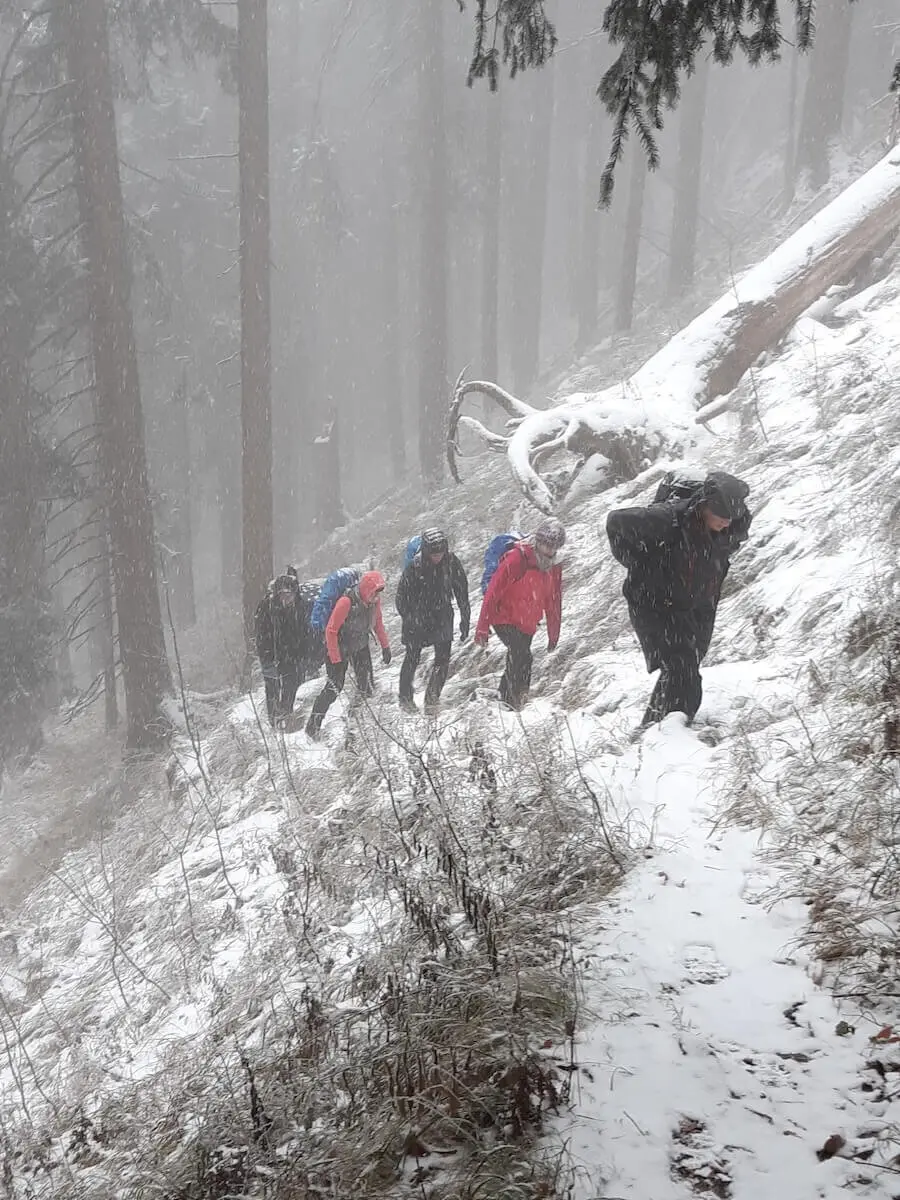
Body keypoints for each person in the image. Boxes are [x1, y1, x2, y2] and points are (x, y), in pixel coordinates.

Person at [606, 470, 752, 727]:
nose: (726, 524)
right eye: (721, 517)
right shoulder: (669, 519)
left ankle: (654, 727)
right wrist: (641, 565)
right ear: (705, 506)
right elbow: (616, 522)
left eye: (731, 519)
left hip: (696, 604)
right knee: (682, 668)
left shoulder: (732, 527)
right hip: (654, 603)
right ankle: (672, 731)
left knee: (686, 664)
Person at [473, 518, 565, 710]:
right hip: (503, 616)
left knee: (520, 659)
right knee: (521, 654)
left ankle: (511, 699)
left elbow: (553, 600)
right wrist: (482, 627)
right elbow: (493, 591)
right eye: (546, 544)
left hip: (528, 621)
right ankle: (513, 701)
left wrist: (553, 633)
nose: (549, 550)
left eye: (554, 546)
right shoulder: (517, 558)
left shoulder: (553, 567)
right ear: (537, 541)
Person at [305, 570, 391, 738]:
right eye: (374, 593)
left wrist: (385, 647)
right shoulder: (346, 602)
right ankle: (312, 726)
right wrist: (336, 659)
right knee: (333, 688)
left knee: (366, 686)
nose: (376, 598)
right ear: (366, 590)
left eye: (378, 594)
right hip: (338, 646)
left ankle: (359, 723)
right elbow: (331, 631)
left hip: (360, 645)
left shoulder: (374, 603)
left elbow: (378, 623)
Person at [395, 528, 470, 712]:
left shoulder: (451, 562)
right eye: (434, 554)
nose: (437, 557)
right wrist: (411, 618)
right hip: (417, 619)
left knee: (443, 660)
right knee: (412, 658)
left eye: (440, 553)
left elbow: (462, 592)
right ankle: (405, 699)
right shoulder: (415, 567)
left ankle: (432, 698)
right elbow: (400, 598)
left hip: (442, 616)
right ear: (426, 551)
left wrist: (465, 619)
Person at [255, 569, 322, 726]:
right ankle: (274, 721)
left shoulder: (301, 606)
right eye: (282, 595)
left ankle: (286, 717)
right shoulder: (267, 608)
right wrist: (266, 659)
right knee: (272, 689)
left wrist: (308, 656)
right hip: (272, 654)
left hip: (293, 655)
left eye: (289, 594)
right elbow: (262, 636)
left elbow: (306, 632)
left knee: (290, 687)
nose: (286, 599)